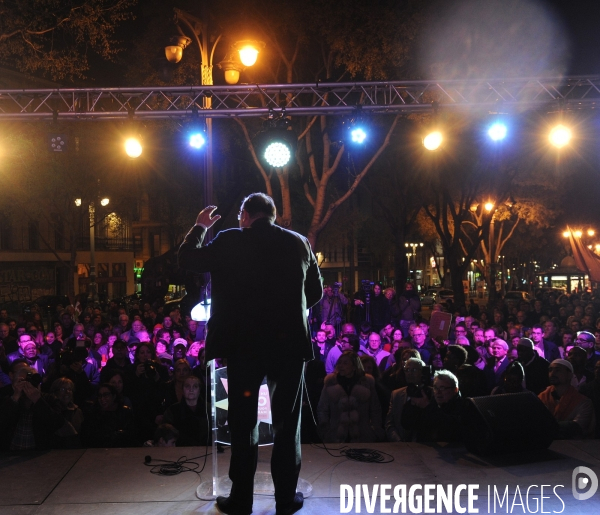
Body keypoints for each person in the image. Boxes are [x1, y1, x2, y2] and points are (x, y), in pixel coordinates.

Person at [178, 193, 322, 515]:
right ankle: (285, 499)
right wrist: (288, 312)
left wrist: (200, 227)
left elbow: (187, 259)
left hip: (243, 348)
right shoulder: (299, 243)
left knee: (243, 425)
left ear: (245, 215)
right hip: (288, 348)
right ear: (271, 215)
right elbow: (315, 291)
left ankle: (241, 501)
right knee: (287, 424)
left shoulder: (230, 240)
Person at [317, 351, 384, 443]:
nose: (341, 366)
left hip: (362, 436)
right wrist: (325, 430)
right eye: (339, 363)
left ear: (354, 366)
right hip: (336, 435)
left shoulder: (367, 382)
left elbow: (375, 408)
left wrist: (375, 429)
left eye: (345, 363)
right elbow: (322, 408)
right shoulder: (331, 382)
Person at [538, 359, 595, 439]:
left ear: (570, 375)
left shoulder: (583, 402)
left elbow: (577, 427)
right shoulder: (542, 397)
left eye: (558, 370)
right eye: (550, 370)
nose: (552, 374)